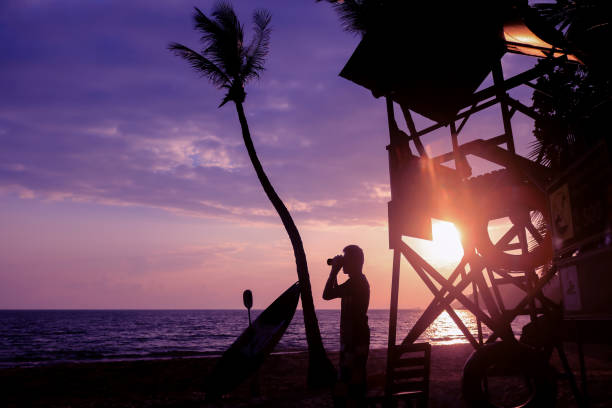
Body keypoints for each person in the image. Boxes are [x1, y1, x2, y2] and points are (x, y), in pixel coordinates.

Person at [323, 245, 370, 407]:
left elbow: (327, 294)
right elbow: (335, 292)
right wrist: (336, 271)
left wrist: (334, 271)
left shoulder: (355, 283)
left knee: (346, 386)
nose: (343, 264)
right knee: (354, 384)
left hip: (353, 340)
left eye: (346, 260)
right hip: (357, 337)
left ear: (354, 262)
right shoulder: (357, 282)